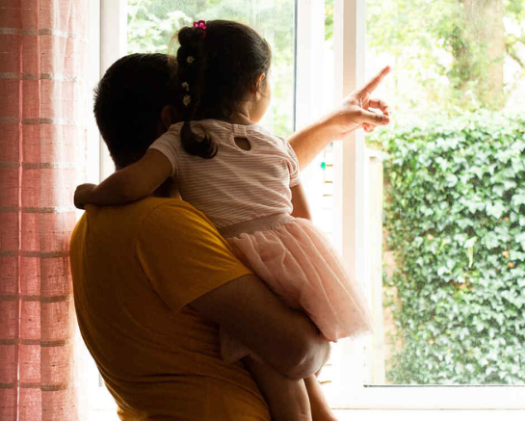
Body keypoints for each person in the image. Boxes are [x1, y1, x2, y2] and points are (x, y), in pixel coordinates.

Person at [74, 21, 391, 421]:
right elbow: (298, 352)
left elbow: (245, 180)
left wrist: (329, 125)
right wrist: (325, 329)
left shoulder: (97, 223)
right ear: (171, 121)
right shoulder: (164, 225)